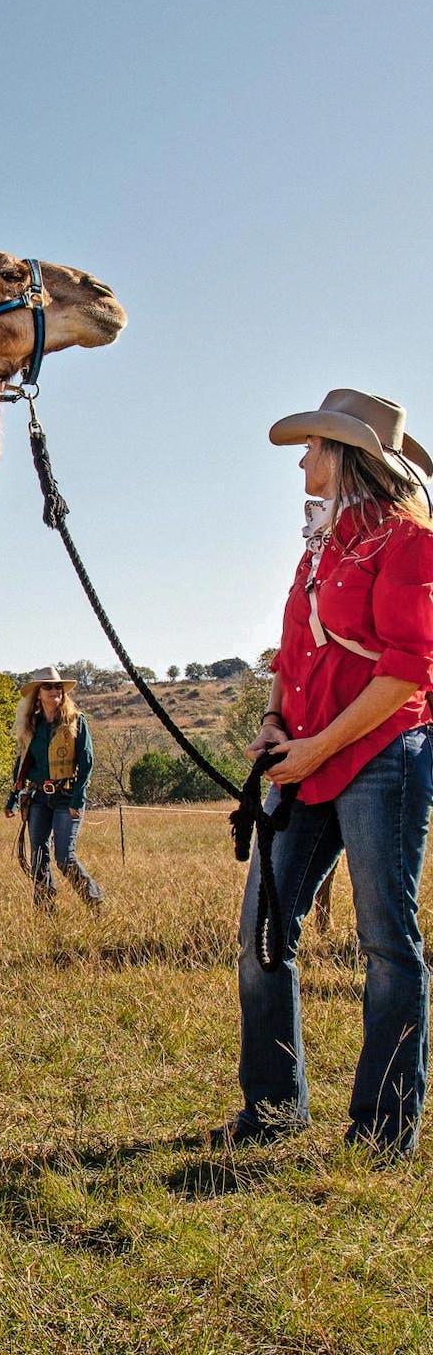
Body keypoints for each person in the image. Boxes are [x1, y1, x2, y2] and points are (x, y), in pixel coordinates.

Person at [214, 390, 433, 1157]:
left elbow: (407, 674)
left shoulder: (408, 544)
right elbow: (293, 652)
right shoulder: (319, 546)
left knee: (385, 943)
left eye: (313, 446)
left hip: (382, 760)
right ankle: (272, 1111)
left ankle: (382, 1131)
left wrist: (314, 750)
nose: (302, 459)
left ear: (347, 457)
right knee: (263, 936)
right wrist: (277, 722)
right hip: (303, 759)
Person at [5, 667, 103, 910]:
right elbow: (23, 762)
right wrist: (14, 797)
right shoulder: (32, 725)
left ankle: (95, 901)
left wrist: (78, 799)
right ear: (38, 693)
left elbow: (86, 761)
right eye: (48, 686)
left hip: (66, 796)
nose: (54, 690)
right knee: (38, 857)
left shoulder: (76, 721)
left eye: (57, 686)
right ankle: (45, 910)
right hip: (38, 797)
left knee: (64, 857)